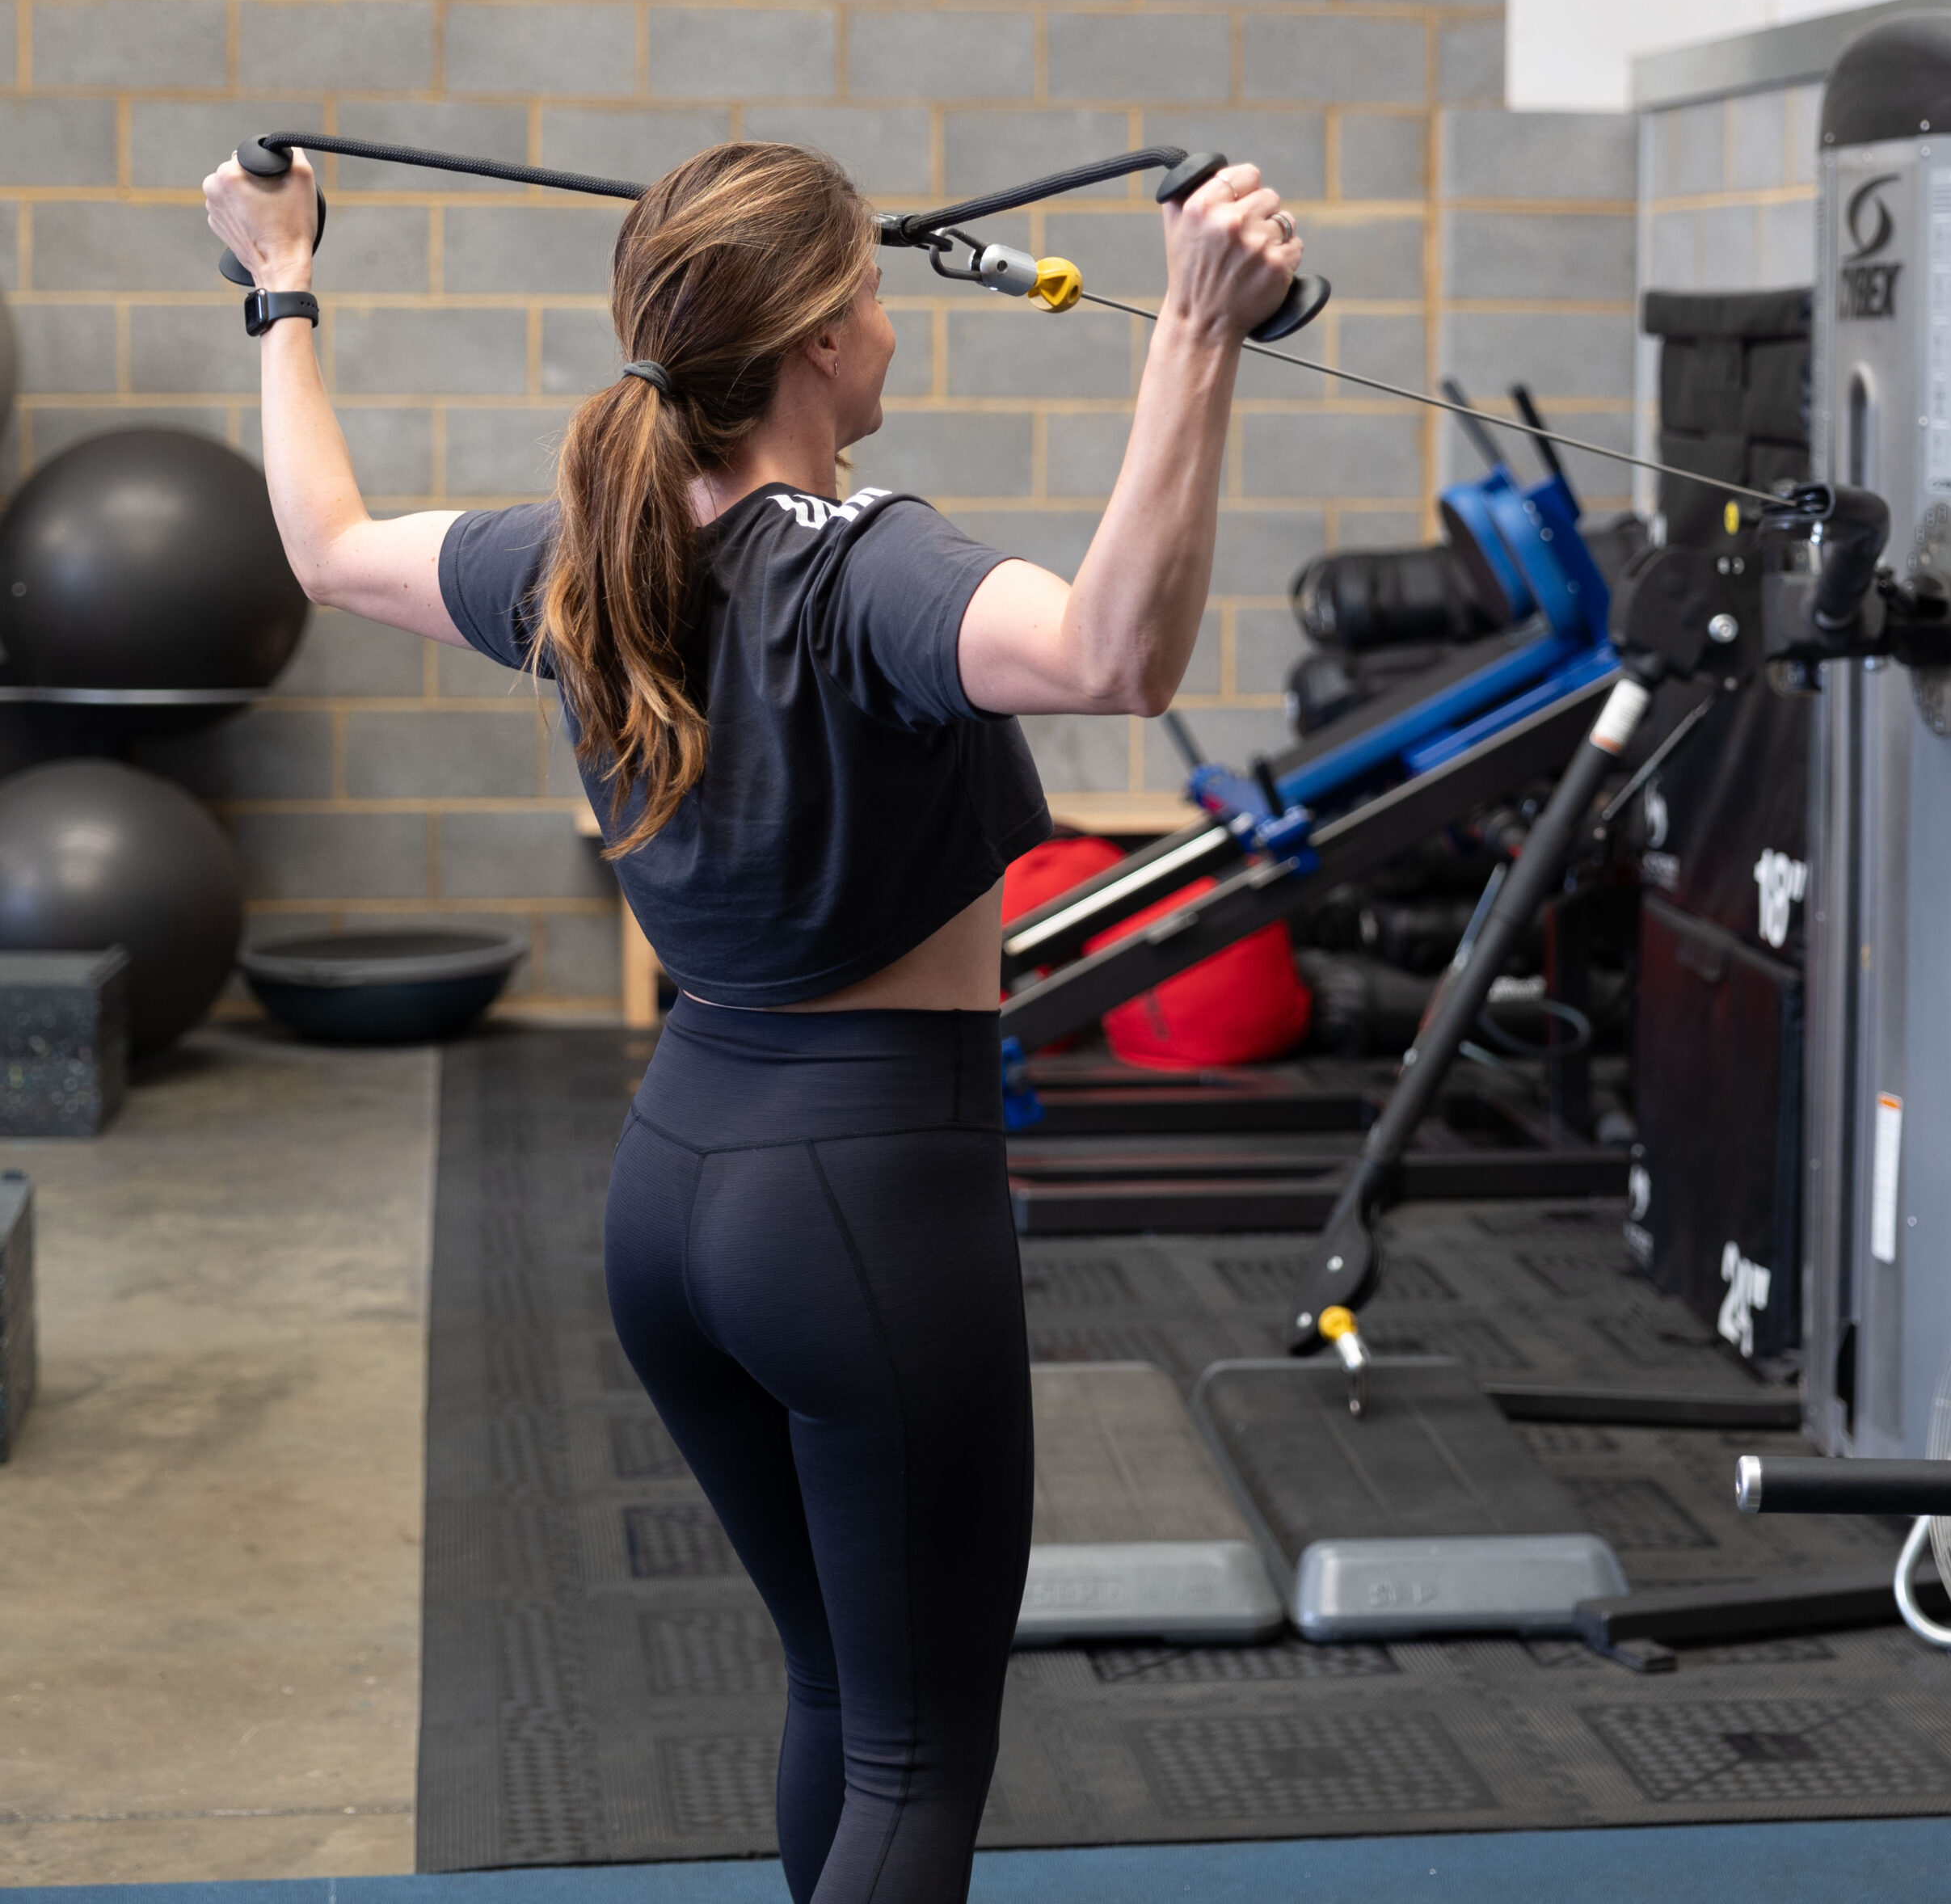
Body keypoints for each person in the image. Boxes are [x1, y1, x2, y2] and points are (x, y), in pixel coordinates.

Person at [204, 137, 1299, 1904]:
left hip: (676, 1188)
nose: (889, 323)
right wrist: (1196, 331)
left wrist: (281, 279)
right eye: (868, 293)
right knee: (917, 1755)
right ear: (814, 343)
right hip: (867, 1203)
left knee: (845, 1697)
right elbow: (1115, 657)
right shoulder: (867, 565)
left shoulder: (587, 558)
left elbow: (325, 546)